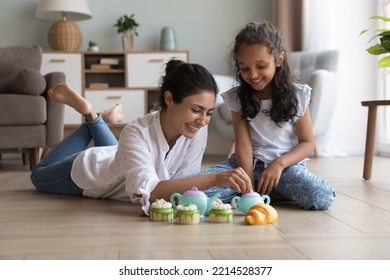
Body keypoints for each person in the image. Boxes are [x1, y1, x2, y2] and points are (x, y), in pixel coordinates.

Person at [30, 60, 252, 215]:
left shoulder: (196, 130)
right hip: (92, 171)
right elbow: (151, 191)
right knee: (38, 176)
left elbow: (182, 185)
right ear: (169, 98)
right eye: (196, 110)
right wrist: (214, 178)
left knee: (122, 157)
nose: (203, 120)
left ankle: (100, 120)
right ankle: (91, 118)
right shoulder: (137, 132)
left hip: (121, 158)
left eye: (209, 113)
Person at [202, 21, 335, 210]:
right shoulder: (237, 98)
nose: (253, 74)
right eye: (245, 68)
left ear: (278, 60)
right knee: (198, 190)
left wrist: (278, 165)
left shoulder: (298, 95)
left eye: (261, 65)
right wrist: (247, 187)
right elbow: (243, 144)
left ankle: (266, 191)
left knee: (322, 197)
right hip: (246, 166)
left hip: (286, 169)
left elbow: (307, 143)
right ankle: (263, 192)